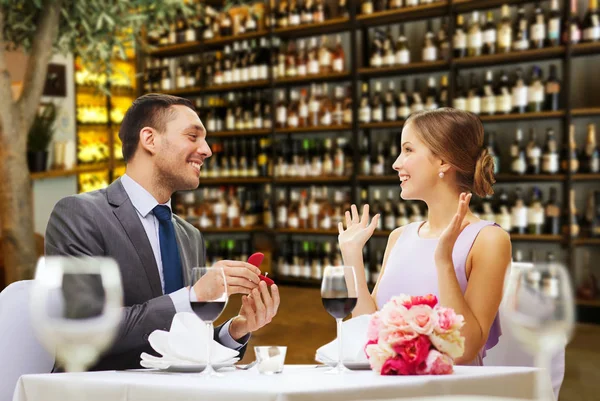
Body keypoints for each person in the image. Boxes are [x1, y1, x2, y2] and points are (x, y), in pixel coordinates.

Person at [45, 93, 280, 371]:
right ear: (150, 140)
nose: (206, 150)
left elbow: (180, 344)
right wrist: (194, 297)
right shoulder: (79, 214)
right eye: (193, 136)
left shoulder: (189, 235)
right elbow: (86, 330)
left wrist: (236, 330)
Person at [338, 108, 511, 365]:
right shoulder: (399, 237)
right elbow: (368, 331)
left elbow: (465, 350)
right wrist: (352, 256)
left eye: (408, 150)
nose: (396, 163)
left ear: (443, 161)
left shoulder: (489, 239)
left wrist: (443, 260)